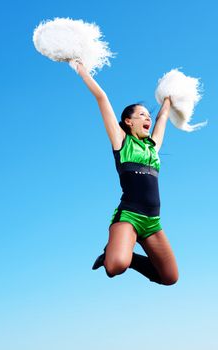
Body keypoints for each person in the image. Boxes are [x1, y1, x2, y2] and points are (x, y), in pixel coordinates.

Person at [73, 59, 179, 285]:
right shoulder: (121, 142)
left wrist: (169, 95)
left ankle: (129, 258)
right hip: (129, 216)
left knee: (169, 277)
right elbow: (102, 99)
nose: (148, 118)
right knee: (114, 267)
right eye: (141, 115)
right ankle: (112, 254)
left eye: (147, 116)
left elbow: (162, 117)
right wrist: (82, 70)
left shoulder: (153, 146)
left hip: (152, 221)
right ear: (128, 121)